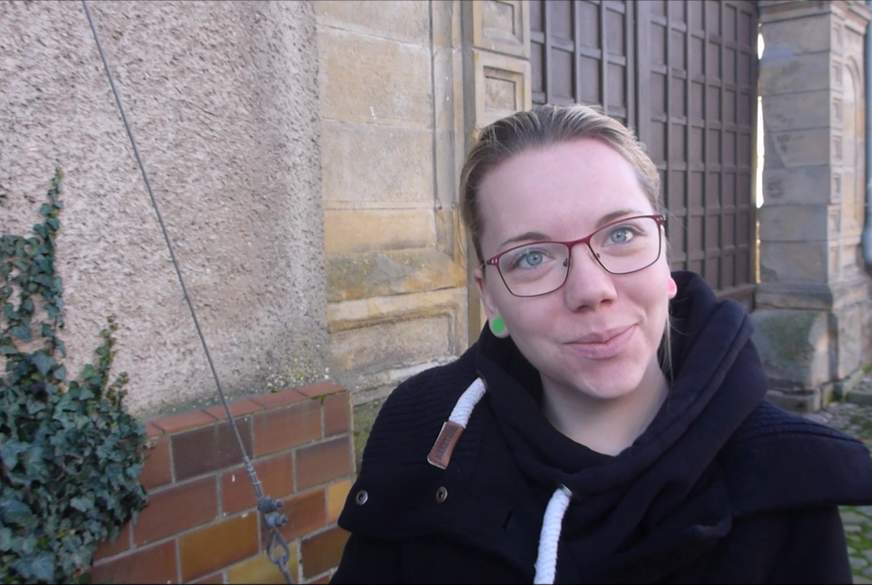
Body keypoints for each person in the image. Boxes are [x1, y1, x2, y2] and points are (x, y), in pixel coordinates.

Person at [331, 104, 872, 584]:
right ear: (490, 297)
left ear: (664, 252)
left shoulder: (786, 482)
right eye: (532, 257)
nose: (591, 290)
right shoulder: (422, 432)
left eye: (621, 234)